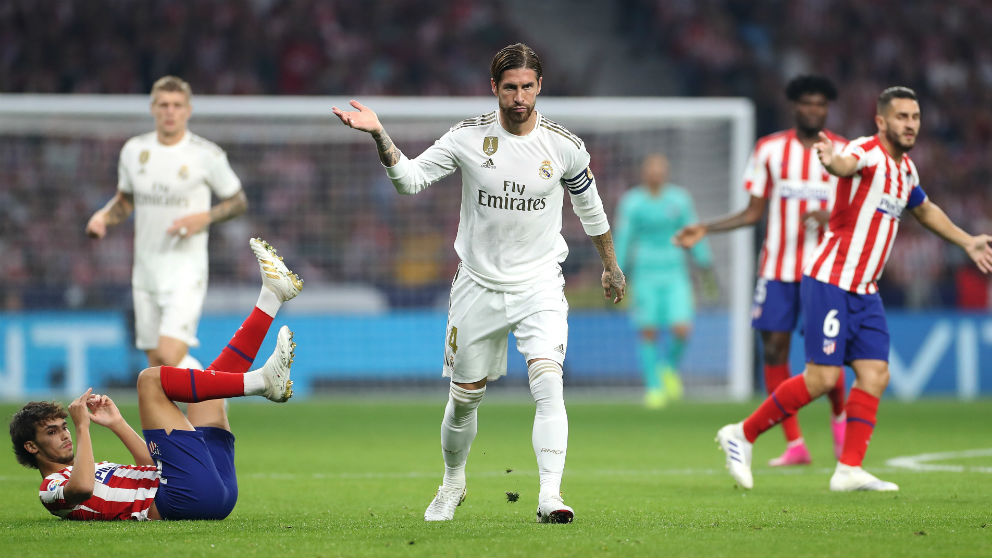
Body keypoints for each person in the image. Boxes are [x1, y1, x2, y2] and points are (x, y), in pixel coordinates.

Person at [332, 43, 625, 523]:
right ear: (494, 88)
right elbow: (409, 181)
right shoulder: (467, 138)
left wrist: (610, 265)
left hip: (539, 285)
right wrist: (379, 135)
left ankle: (550, 496)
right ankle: (452, 483)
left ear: (539, 86)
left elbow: (590, 208)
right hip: (478, 285)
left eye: (527, 87)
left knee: (549, 384)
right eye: (510, 88)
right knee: (464, 399)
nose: (519, 98)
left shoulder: (564, 146)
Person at [713, 86, 992, 492]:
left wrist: (967, 241)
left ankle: (848, 469)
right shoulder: (866, 151)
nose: (910, 124)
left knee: (875, 373)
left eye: (915, 117)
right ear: (881, 121)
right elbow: (845, 164)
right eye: (901, 117)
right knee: (823, 379)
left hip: (864, 289)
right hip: (830, 280)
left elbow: (925, 209)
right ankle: (742, 433)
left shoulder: (906, 170)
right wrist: (831, 161)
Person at [10, 238, 303, 520]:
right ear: (31, 447)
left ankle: (271, 297)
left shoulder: (91, 467)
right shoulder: (50, 489)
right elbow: (83, 488)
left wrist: (118, 424)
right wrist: (83, 426)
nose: (64, 435)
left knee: (209, 392)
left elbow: (154, 465)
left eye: (63, 427)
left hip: (212, 492)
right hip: (185, 498)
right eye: (51, 432)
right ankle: (262, 383)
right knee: (149, 381)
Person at [674, 75, 847, 465]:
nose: (813, 109)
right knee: (773, 350)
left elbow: (855, 210)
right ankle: (795, 444)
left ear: (827, 108)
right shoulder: (769, 149)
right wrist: (707, 226)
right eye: (807, 102)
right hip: (777, 269)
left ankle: (841, 434)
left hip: (826, 272)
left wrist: (831, 214)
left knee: (828, 356)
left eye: (821, 103)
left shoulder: (843, 151)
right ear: (794, 106)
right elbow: (754, 212)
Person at [85, 75, 248, 371]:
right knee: (156, 366)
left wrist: (205, 217)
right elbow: (124, 202)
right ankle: (197, 403)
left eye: (176, 105)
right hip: (145, 269)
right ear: (153, 108)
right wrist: (103, 217)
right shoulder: (134, 151)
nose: (170, 111)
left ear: (188, 110)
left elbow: (239, 201)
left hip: (186, 268)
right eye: (163, 105)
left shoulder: (206, 155)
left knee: (170, 355)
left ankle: (212, 397)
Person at [614, 153, 714, 408]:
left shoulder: (679, 199)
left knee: (682, 327)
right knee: (647, 330)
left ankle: (668, 367)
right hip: (645, 272)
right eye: (652, 169)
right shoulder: (632, 202)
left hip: (675, 271)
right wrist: (617, 270)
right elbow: (625, 238)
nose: (656, 174)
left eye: (661, 169)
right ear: (643, 173)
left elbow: (692, 231)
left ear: (667, 172)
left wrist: (704, 262)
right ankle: (654, 388)